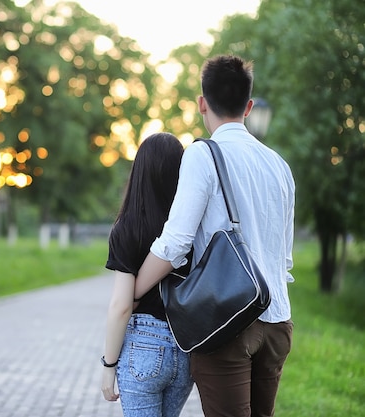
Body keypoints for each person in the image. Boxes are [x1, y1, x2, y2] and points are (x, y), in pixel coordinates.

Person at [134, 55, 295, 417]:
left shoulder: (202, 155)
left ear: (202, 103)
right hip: (278, 323)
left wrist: (132, 292)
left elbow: (174, 244)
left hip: (227, 322)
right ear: (249, 106)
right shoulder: (280, 166)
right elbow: (284, 259)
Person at [101, 133, 194, 417]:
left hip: (144, 346)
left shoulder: (128, 228)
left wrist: (108, 366)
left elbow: (122, 305)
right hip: (186, 348)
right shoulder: (192, 228)